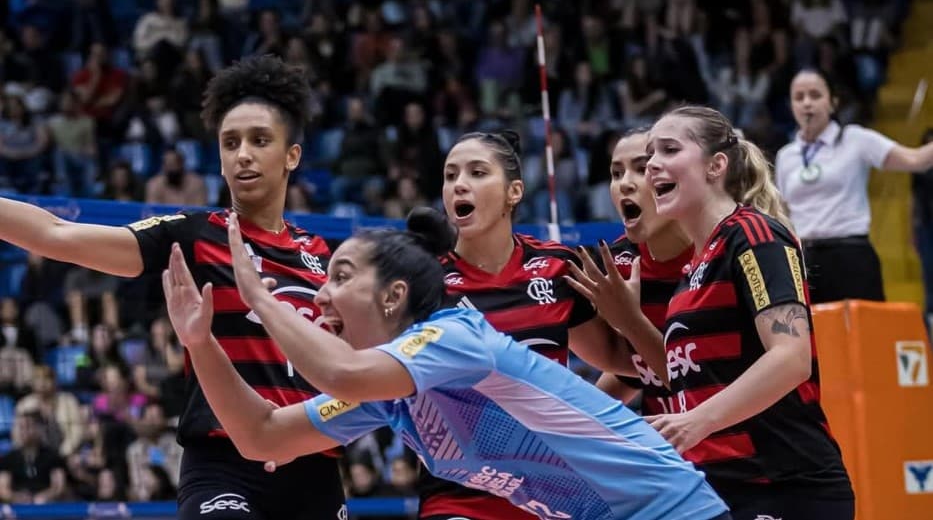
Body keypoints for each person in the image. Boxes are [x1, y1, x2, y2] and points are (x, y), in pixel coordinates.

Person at [163, 208, 731, 520]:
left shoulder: (452, 337)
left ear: (393, 296)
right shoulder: (387, 389)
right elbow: (263, 436)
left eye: (340, 277)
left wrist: (258, 296)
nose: (319, 296)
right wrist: (201, 342)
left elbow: (340, 373)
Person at [0, 56, 346, 519]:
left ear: (292, 155)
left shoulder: (326, 255)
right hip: (223, 464)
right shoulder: (195, 234)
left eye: (260, 140)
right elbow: (55, 235)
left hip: (313, 465)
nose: (243, 153)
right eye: (230, 142)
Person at [590, 105, 854, 520]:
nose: (654, 164)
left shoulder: (754, 234)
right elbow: (648, 371)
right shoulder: (692, 270)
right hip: (719, 487)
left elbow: (791, 357)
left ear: (716, 166)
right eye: (652, 154)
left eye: (669, 150)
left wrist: (696, 421)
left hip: (784, 485)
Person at [427, 130, 637, 520]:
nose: (459, 185)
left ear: (514, 192)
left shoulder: (558, 267)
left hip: (552, 494)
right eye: (451, 175)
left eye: (476, 173)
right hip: (461, 495)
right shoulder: (426, 282)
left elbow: (623, 363)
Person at [775, 69, 933, 303]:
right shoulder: (785, 155)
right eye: (799, 97)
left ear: (833, 102)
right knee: (814, 337)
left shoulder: (856, 139)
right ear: (791, 106)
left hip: (851, 257)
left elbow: (916, 160)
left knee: (865, 336)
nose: (807, 103)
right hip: (803, 262)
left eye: (815, 95)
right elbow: (782, 213)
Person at [566, 128, 692, 414]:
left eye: (640, 169)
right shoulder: (619, 260)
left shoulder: (722, 251)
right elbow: (632, 369)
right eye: (616, 173)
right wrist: (577, 425)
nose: (624, 184)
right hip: (667, 448)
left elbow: (699, 382)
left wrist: (630, 322)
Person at [911, 127, 933, 333]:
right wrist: (914, 231)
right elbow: (915, 201)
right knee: (929, 278)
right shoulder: (920, 171)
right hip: (927, 227)